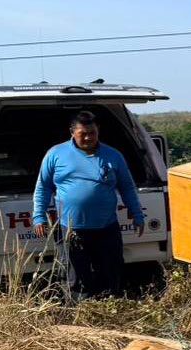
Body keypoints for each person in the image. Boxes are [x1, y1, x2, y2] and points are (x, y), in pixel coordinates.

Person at [32, 110, 144, 300]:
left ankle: (107, 309)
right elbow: (43, 187)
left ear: (98, 130)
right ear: (72, 132)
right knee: (75, 279)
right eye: (82, 133)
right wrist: (38, 216)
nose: (88, 137)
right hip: (71, 230)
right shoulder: (56, 154)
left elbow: (127, 187)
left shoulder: (113, 155)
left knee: (110, 275)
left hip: (107, 229)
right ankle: (79, 313)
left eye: (92, 133)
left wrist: (137, 213)